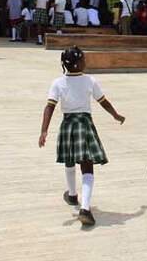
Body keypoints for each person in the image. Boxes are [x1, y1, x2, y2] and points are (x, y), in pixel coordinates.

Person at [38, 47, 125, 226]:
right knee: (87, 166)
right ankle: (85, 208)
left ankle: (72, 195)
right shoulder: (89, 81)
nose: (86, 62)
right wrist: (115, 115)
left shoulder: (58, 83)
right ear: (78, 63)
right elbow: (103, 101)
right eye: (84, 59)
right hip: (84, 124)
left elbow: (50, 107)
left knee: (69, 161)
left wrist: (44, 130)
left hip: (67, 124)